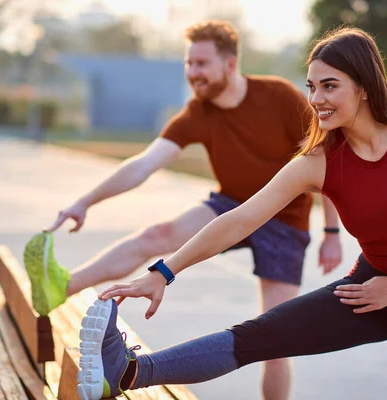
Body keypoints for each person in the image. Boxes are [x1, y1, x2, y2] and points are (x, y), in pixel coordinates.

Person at [75, 26, 387, 400]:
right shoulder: (317, 162)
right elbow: (239, 220)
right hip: (364, 291)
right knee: (258, 336)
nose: (316, 99)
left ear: (363, 87)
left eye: (330, 86)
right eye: (312, 87)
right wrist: (163, 271)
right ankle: (126, 373)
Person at [24, 20, 342, 400]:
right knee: (154, 236)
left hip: (284, 222)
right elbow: (144, 164)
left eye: (201, 64)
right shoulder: (198, 112)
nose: (193, 73)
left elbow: (327, 161)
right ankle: (59, 288)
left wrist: (332, 232)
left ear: (229, 64)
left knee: (275, 341)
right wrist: (84, 201)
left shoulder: (279, 97)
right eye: (188, 64)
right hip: (229, 205)